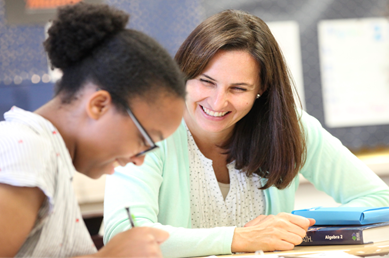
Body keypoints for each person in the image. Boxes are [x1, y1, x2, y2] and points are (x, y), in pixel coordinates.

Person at [103, 9, 389, 258]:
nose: (217, 103)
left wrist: (305, 224)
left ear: (261, 90)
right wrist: (238, 238)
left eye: (238, 89)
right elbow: (124, 235)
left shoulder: (288, 126)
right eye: (206, 82)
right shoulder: (144, 128)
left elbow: (379, 198)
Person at [0, 2, 186, 258]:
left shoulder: (48, 155)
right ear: (99, 105)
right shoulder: (28, 151)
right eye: (144, 139)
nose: (140, 159)